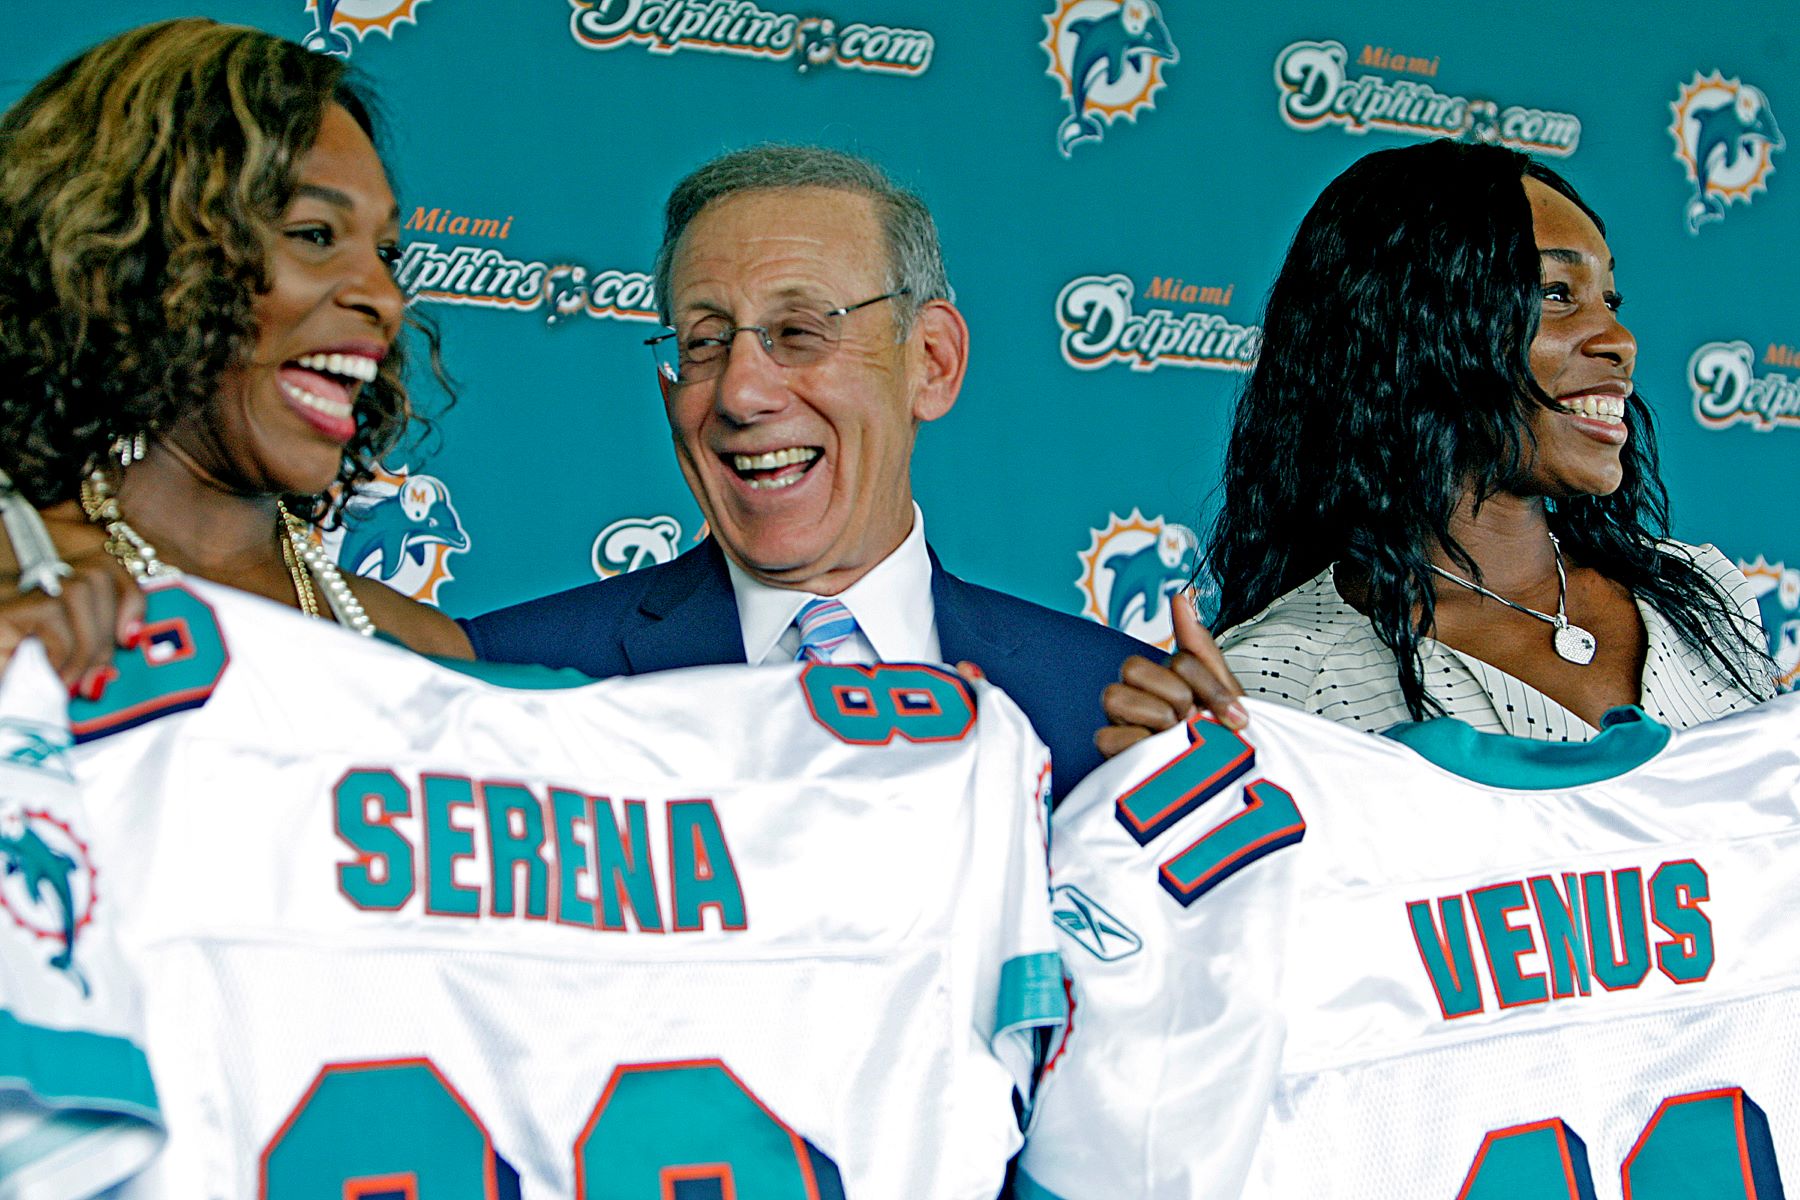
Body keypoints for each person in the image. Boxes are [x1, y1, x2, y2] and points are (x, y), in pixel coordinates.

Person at [464, 145, 1152, 804]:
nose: (739, 393)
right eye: (704, 343)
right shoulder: (500, 684)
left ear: (932, 362)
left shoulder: (1117, 706)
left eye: (798, 332)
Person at [1098, 139, 1773, 751]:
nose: (1619, 342)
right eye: (1557, 293)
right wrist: (1179, 785)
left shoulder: (1702, 595)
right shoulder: (1284, 680)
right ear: (1412, 333)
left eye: (1611, 299)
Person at [0, 18, 472, 675]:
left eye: (386, 252)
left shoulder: (429, 654)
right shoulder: (16, 587)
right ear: (136, 258)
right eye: (314, 234)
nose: (386, 299)